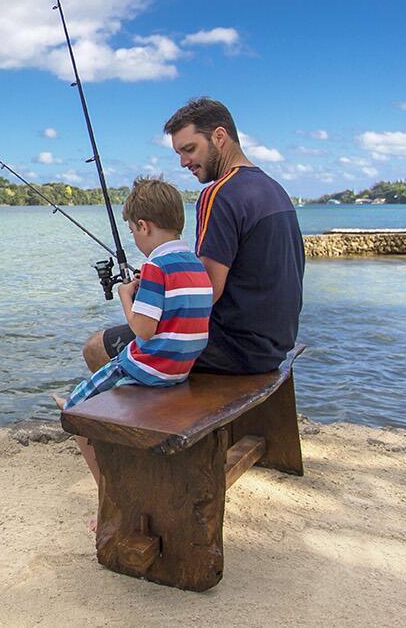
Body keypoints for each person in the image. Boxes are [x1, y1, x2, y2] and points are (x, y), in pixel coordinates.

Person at [81, 97, 303, 376]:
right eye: (179, 154)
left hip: (234, 347)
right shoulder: (274, 189)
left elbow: (207, 290)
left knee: (95, 348)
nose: (184, 162)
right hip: (274, 344)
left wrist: (145, 293)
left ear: (219, 137)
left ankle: (151, 418)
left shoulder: (219, 194)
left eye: (189, 150)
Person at [57, 177, 212, 494]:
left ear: (143, 226)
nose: (134, 239)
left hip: (151, 368)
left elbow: (143, 330)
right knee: (107, 389)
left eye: (132, 232)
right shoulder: (194, 262)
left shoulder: (156, 267)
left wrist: (126, 294)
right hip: (180, 369)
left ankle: (108, 496)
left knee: (73, 412)